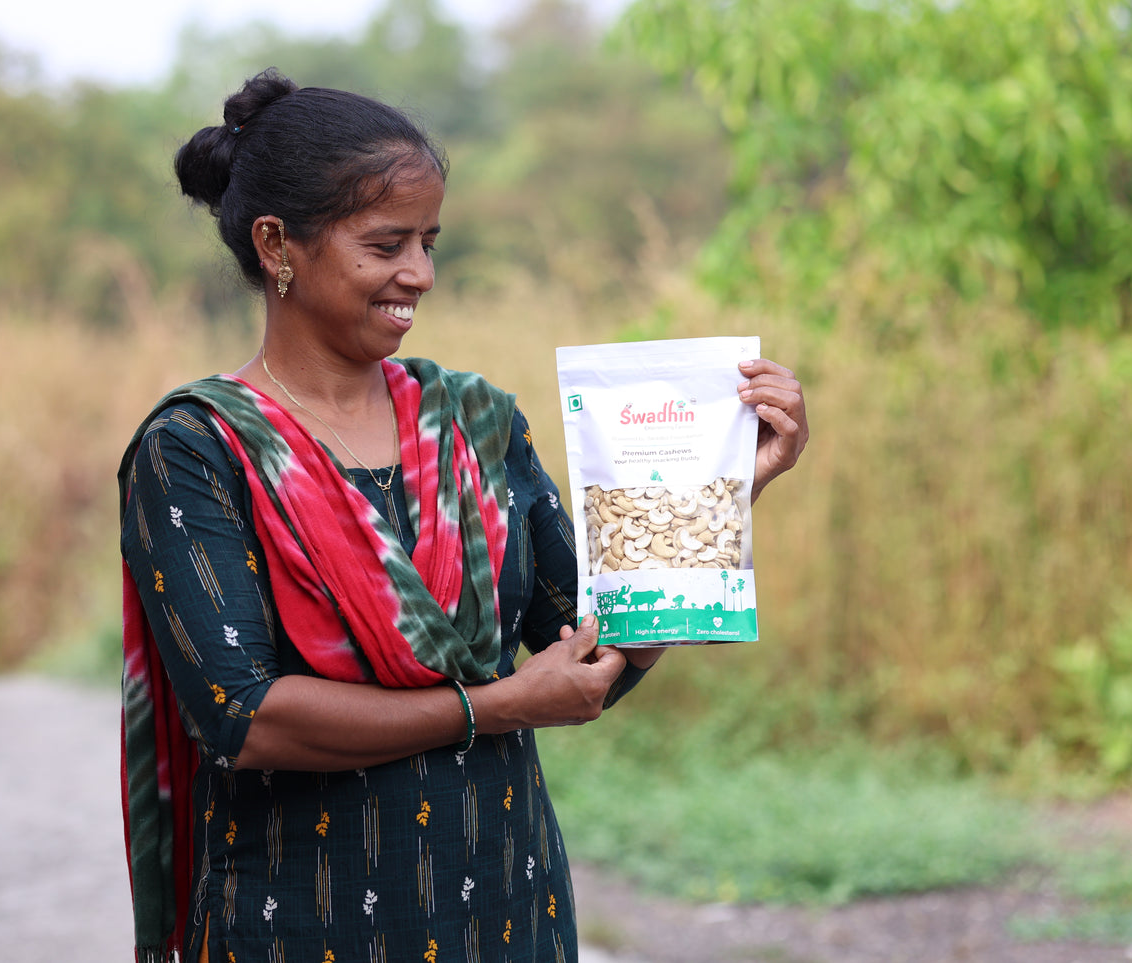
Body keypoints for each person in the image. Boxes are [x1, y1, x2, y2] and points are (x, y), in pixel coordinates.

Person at [118, 68, 808, 963]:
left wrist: (717, 494)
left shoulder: (475, 426)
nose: (421, 274)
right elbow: (245, 718)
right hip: (299, 924)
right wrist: (496, 705)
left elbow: (590, 647)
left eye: (430, 242)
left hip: (508, 913)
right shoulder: (197, 450)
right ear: (277, 244)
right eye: (386, 244)